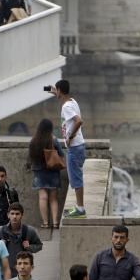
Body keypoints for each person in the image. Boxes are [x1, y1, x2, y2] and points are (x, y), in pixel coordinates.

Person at [52, 79, 87, 218]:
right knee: (76, 177)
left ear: (60, 90)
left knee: (76, 178)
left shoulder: (66, 107)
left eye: (57, 90)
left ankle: (80, 209)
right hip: (79, 145)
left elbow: (79, 121)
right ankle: (79, 207)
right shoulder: (72, 101)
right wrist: (56, 93)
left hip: (74, 146)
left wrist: (70, 137)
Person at [27, 118, 63, 228]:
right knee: (53, 198)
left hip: (39, 172)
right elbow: (61, 154)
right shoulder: (53, 140)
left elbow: (30, 156)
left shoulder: (34, 140)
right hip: (53, 171)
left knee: (42, 197)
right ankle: (56, 223)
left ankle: (46, 223)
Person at [0, 203, 43, 273]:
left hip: (23, 271)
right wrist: (0, 246)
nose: (14, 216)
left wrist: (29, 247)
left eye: (17, 214)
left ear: (22, 215)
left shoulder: (29, 230)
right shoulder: (0, 231)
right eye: (12, 213)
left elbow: (39, 246)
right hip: (5, 270)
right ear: (8, 215)